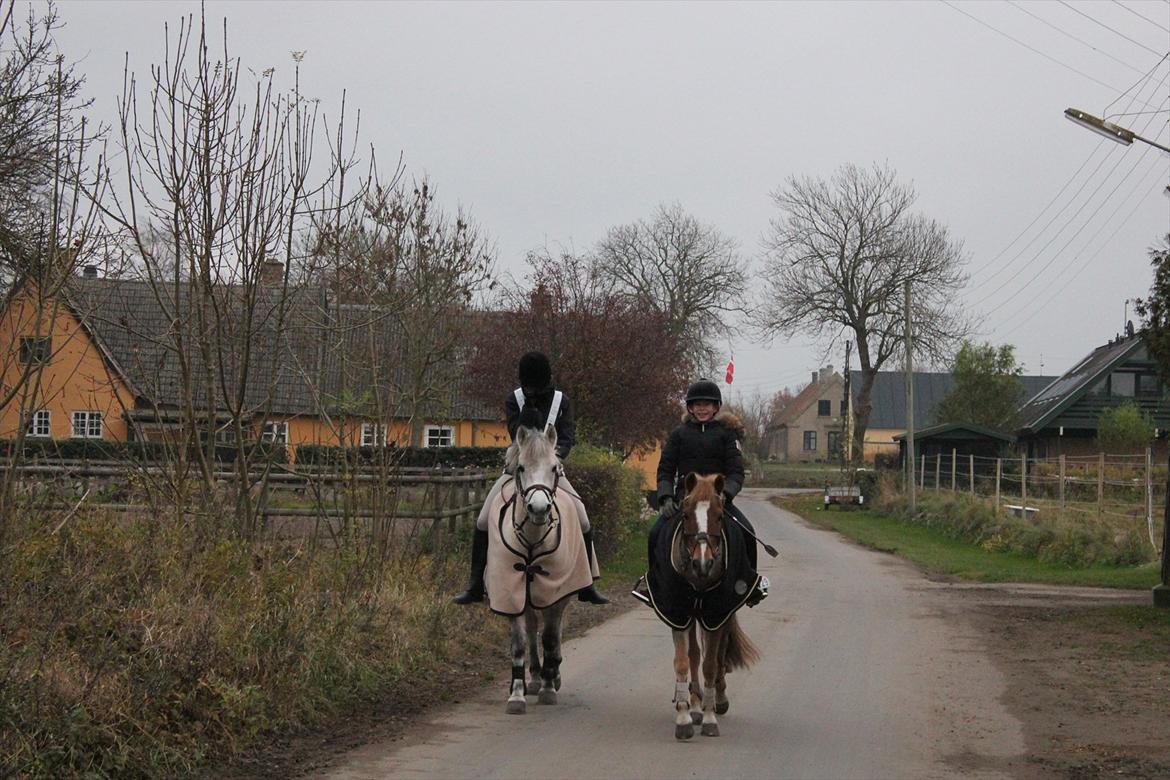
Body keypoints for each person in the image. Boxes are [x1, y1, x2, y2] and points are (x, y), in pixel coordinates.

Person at [452, 351, 609, 605]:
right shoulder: (514, 399)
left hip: (550, 472)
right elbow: (516, 433)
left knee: (582, 518)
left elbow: (567, 436)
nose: (532, 389)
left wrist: (552, 459)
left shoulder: (562, 402)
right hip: (517, 471)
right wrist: (529, 410)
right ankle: (474, 585)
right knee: (482, 520)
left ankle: (587, 584)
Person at [643, 378, 768, 606]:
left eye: (707, 404)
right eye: (698, 404)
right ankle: (653, 585)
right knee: (654, 534)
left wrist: (726, 494)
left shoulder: (726, 435)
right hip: (686, 500)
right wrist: (666, 496)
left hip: (717, 500)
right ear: (690, 407)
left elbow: (735, 473)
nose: (702, 409)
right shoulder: (679, 434)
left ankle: (749, 585)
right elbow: (665, 469)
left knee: (747, 531)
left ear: (716, 407)